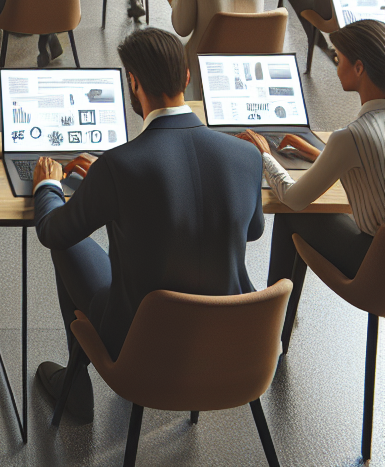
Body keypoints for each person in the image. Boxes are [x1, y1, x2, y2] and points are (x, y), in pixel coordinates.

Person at [32, 28, 264, 422]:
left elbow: (53, 231)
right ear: (187, 77)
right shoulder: (245, 155)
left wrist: (48, 186)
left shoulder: (120, 165)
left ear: (134, 83)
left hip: (142, 345)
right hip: (233, 342)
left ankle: (76, 388)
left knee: (65, 240)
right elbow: (253, 229)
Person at [237, 20, 385, 337]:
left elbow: (293, 197)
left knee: (292, 215)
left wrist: (263, 154)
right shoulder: (358, 137)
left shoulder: (353, 136)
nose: (335, 66)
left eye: (338, 59)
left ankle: (271, 326)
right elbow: (375, 168)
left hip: (375, 271)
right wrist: (322, 155)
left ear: (359, 67)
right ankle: (277, 321)